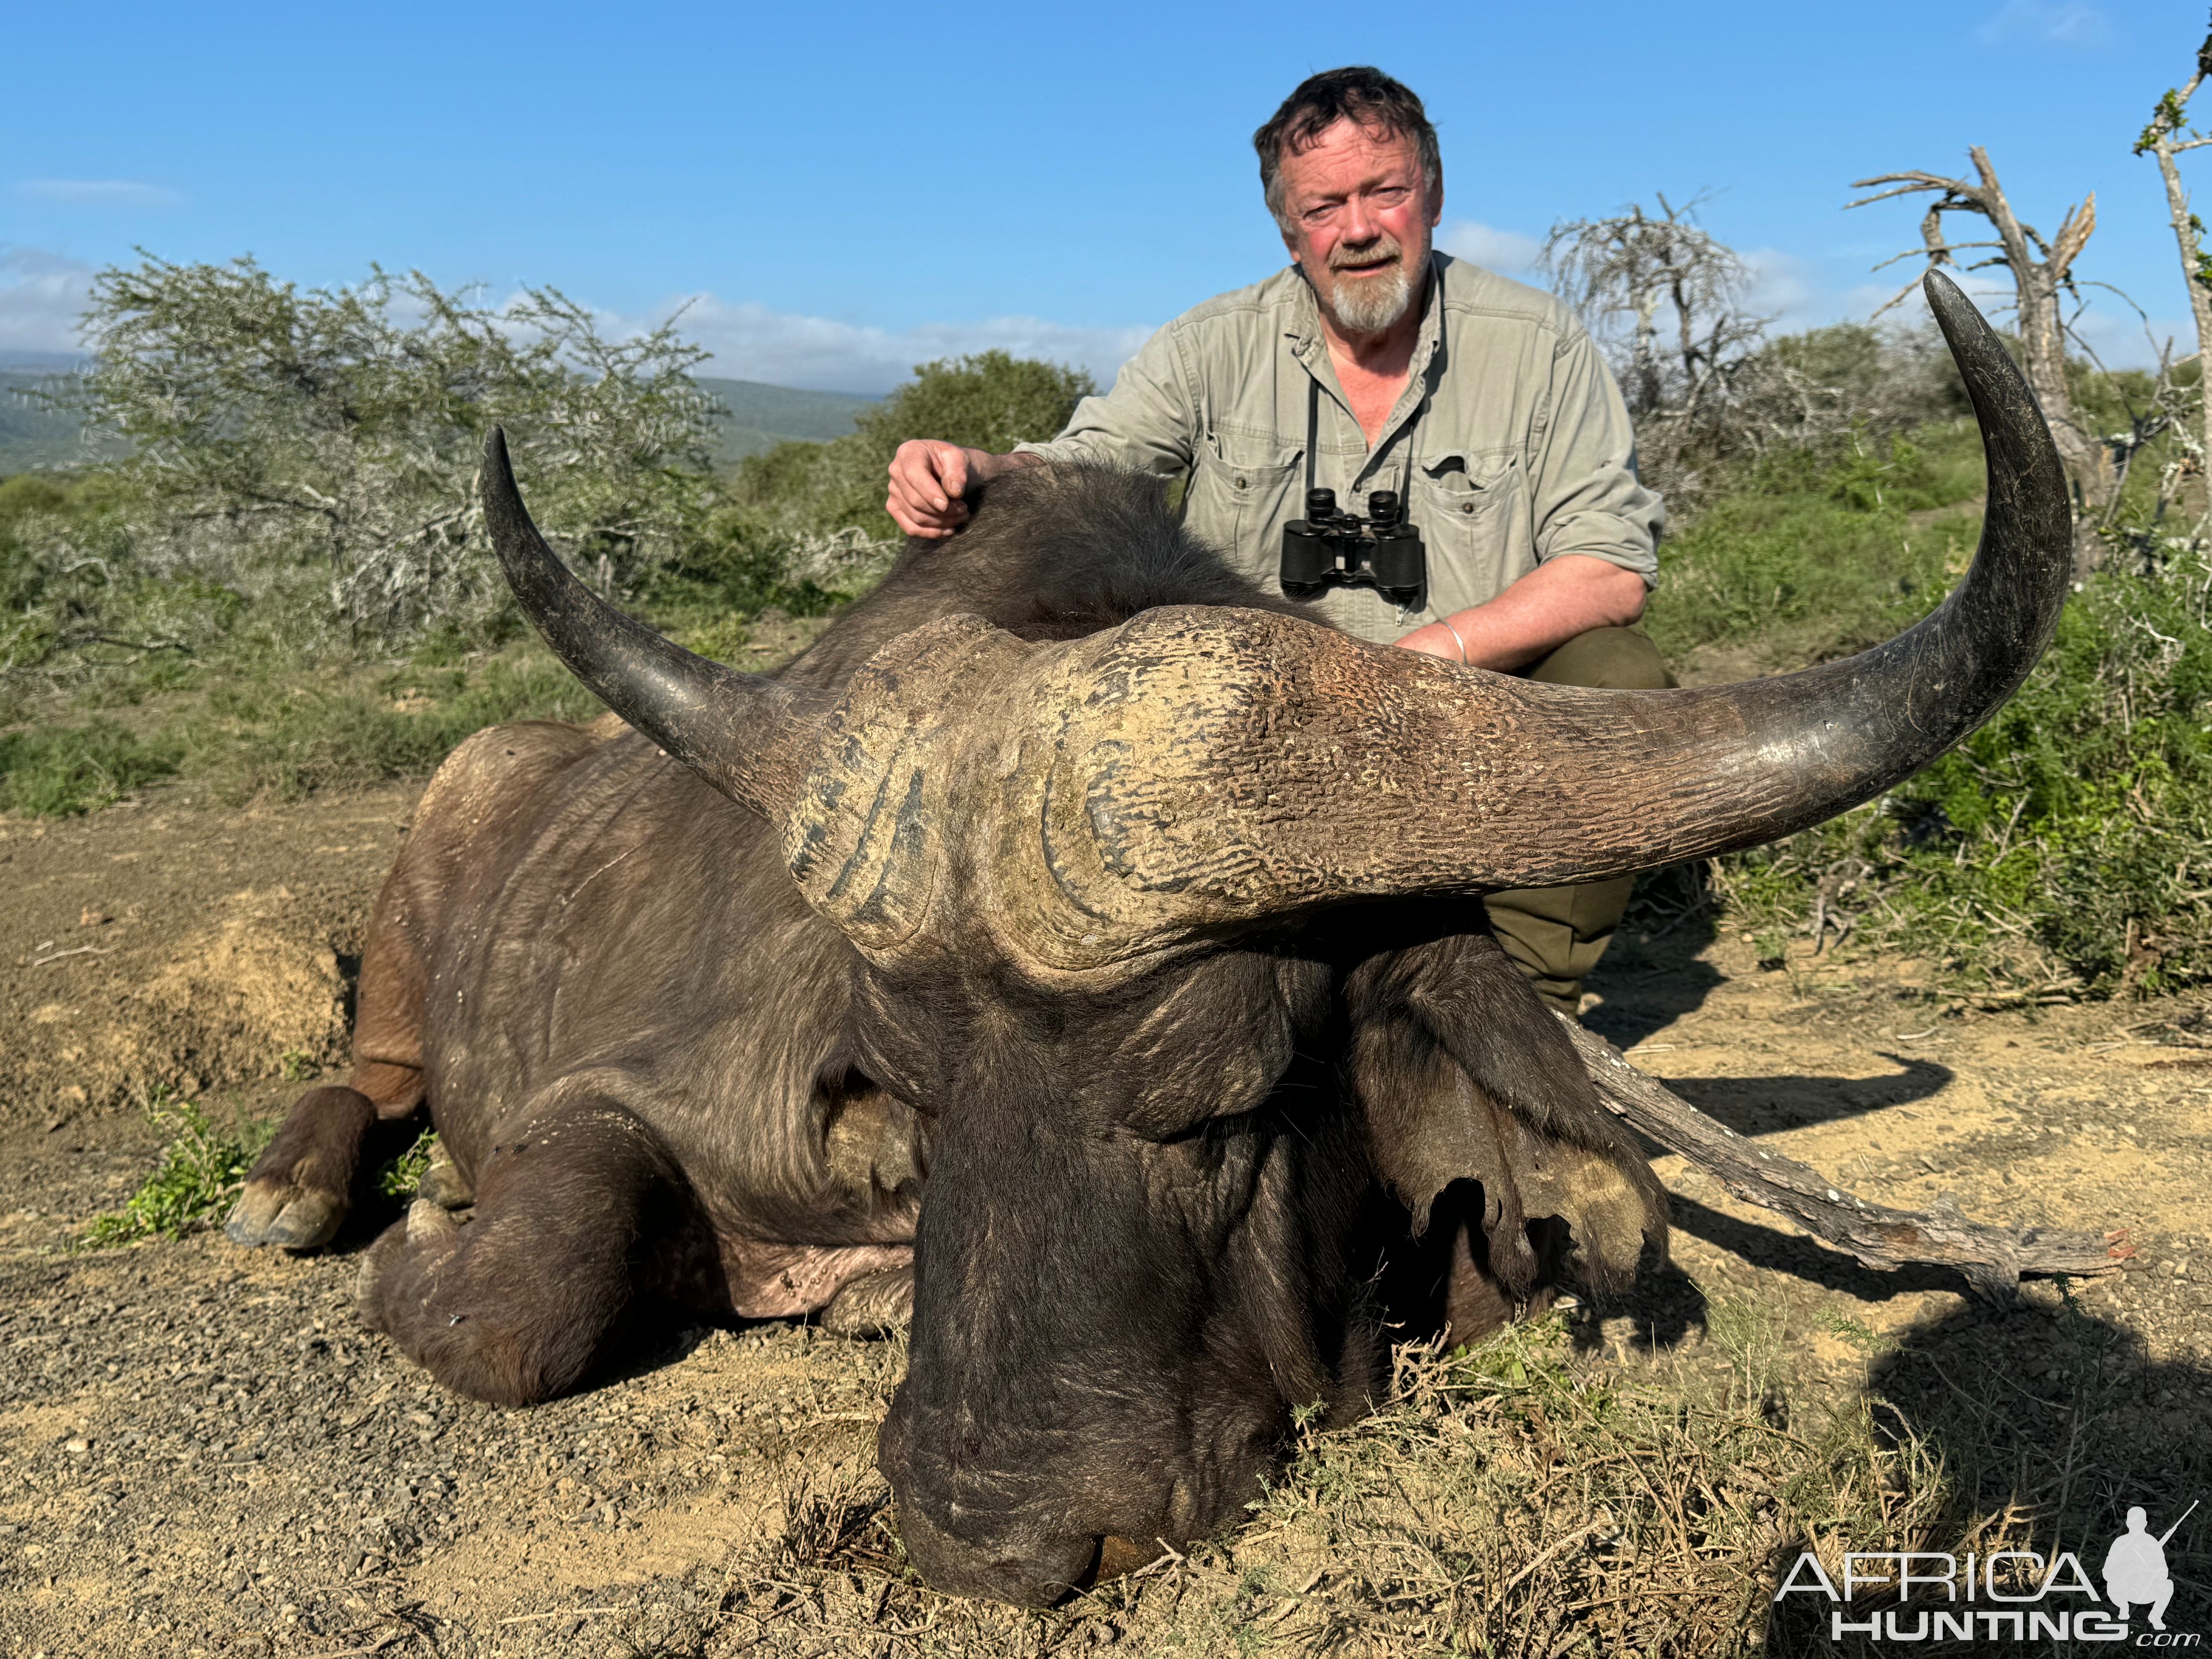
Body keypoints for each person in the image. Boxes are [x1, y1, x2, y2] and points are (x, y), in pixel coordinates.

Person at [885, 67, 1666, 1015]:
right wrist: (975, 469)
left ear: (1435, 195)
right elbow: (1087, 467)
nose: (1361, 228)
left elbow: (1608, 570)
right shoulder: (1211, 343)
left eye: (1386, 191)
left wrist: (1424, 660)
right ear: (1290, 230)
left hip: (1466, 710)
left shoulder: (1539, 342)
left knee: (1615, 671)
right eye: (1326, 205)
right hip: (1245, 723)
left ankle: (1527, 1000)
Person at [2102, 1506, 2175, 1631]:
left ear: (2145, 1524)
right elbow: (2107, 1571)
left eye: (2139, 1523)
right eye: (2134, 1523)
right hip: (2124, 1589)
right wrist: (2126, 1570)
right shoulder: (2121, 1542)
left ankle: (2156, 1617)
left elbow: (2164, 1571)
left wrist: (2154, 1573)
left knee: (2168, 1585)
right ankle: (2123, 1608)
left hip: (2145, 1589)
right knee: (2113, 1584)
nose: (2136, 1527)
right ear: (2128, 1524)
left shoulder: (2152, 1544)